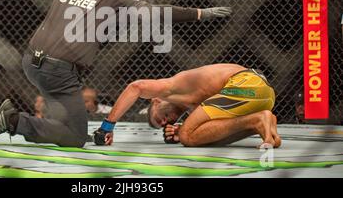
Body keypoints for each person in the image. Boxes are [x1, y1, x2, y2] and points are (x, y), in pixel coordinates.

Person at [0, 0, 232, 147]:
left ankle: (34, 122)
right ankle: (13, 120)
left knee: (64, 118)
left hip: (31, 62)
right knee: (75, 136)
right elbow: (156, 12)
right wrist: (200, 13)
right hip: (58, 71)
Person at [94, 63, 281, 148]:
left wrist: (107, 127)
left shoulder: (171, 86)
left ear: (156, 101)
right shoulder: (197, 105)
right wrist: (178, 133)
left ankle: (257, 119)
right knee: (201, 138)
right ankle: (262, 123)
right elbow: (219, 132)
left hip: (245, 84)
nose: (167, 121)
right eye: (165, 123)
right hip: (264, 95)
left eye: (160, 117)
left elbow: (136, 87)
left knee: (187, 135)